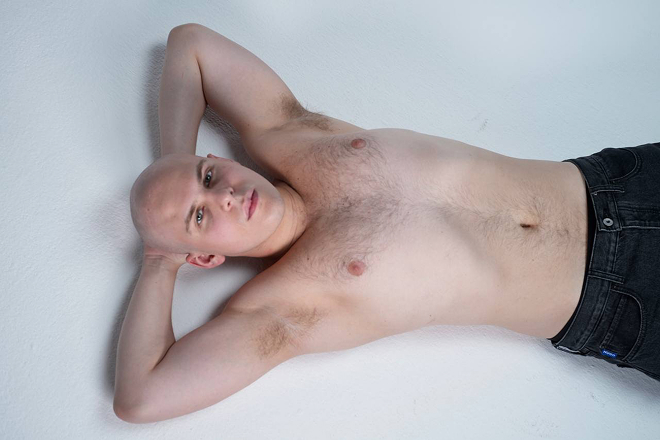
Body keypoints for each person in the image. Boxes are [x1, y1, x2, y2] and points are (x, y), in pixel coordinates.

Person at [113, 23, 660, 423]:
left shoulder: (291, 136)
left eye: (209, 176)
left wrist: (174, 163)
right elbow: (140, 397)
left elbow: (190, 44)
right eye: (200, 216)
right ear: (204, 257)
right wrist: (161, 258)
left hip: (623, 182)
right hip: (620, 297)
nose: (227, 196)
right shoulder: (283, 310)